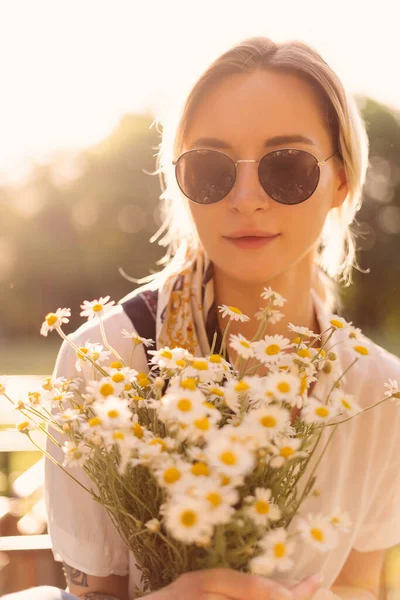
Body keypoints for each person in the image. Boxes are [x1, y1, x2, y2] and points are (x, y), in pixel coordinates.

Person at [10, 36, 400, 600]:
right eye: (211, 167)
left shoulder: (379, 393)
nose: (245, 198)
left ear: (342, 180)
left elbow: (362, 589)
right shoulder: (105, 364)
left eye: (287, 166)